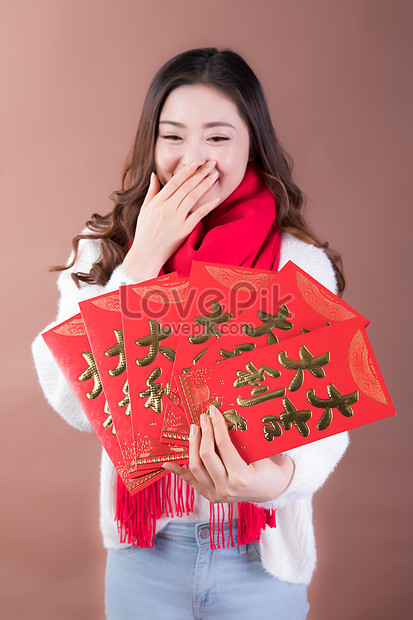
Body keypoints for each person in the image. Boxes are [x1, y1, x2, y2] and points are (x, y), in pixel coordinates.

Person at [32, 47, 349, 619]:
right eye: (173, 136)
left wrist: (270, 483)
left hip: (260, 559)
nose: (192, 159)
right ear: (150, 143)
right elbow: (73, 399)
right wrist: (142, 264)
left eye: (218, 138)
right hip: (146, 555)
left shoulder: (296, 262)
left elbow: (324, 421)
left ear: (253, 142)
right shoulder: (103, 249)